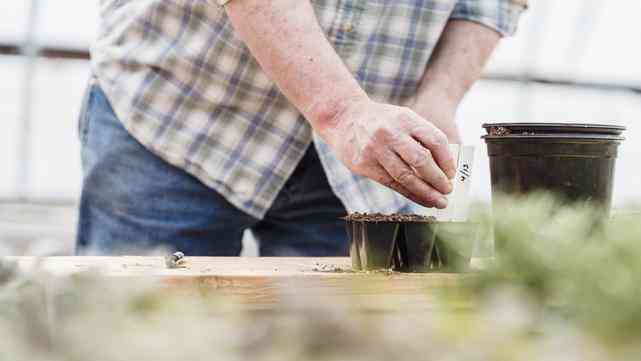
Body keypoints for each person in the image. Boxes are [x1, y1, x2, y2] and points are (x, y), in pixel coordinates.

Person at [77, 0, 528, 256]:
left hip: (363, 163)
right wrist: (342, 112)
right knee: (141, 351)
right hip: (182, 112)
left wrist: (440, 94)